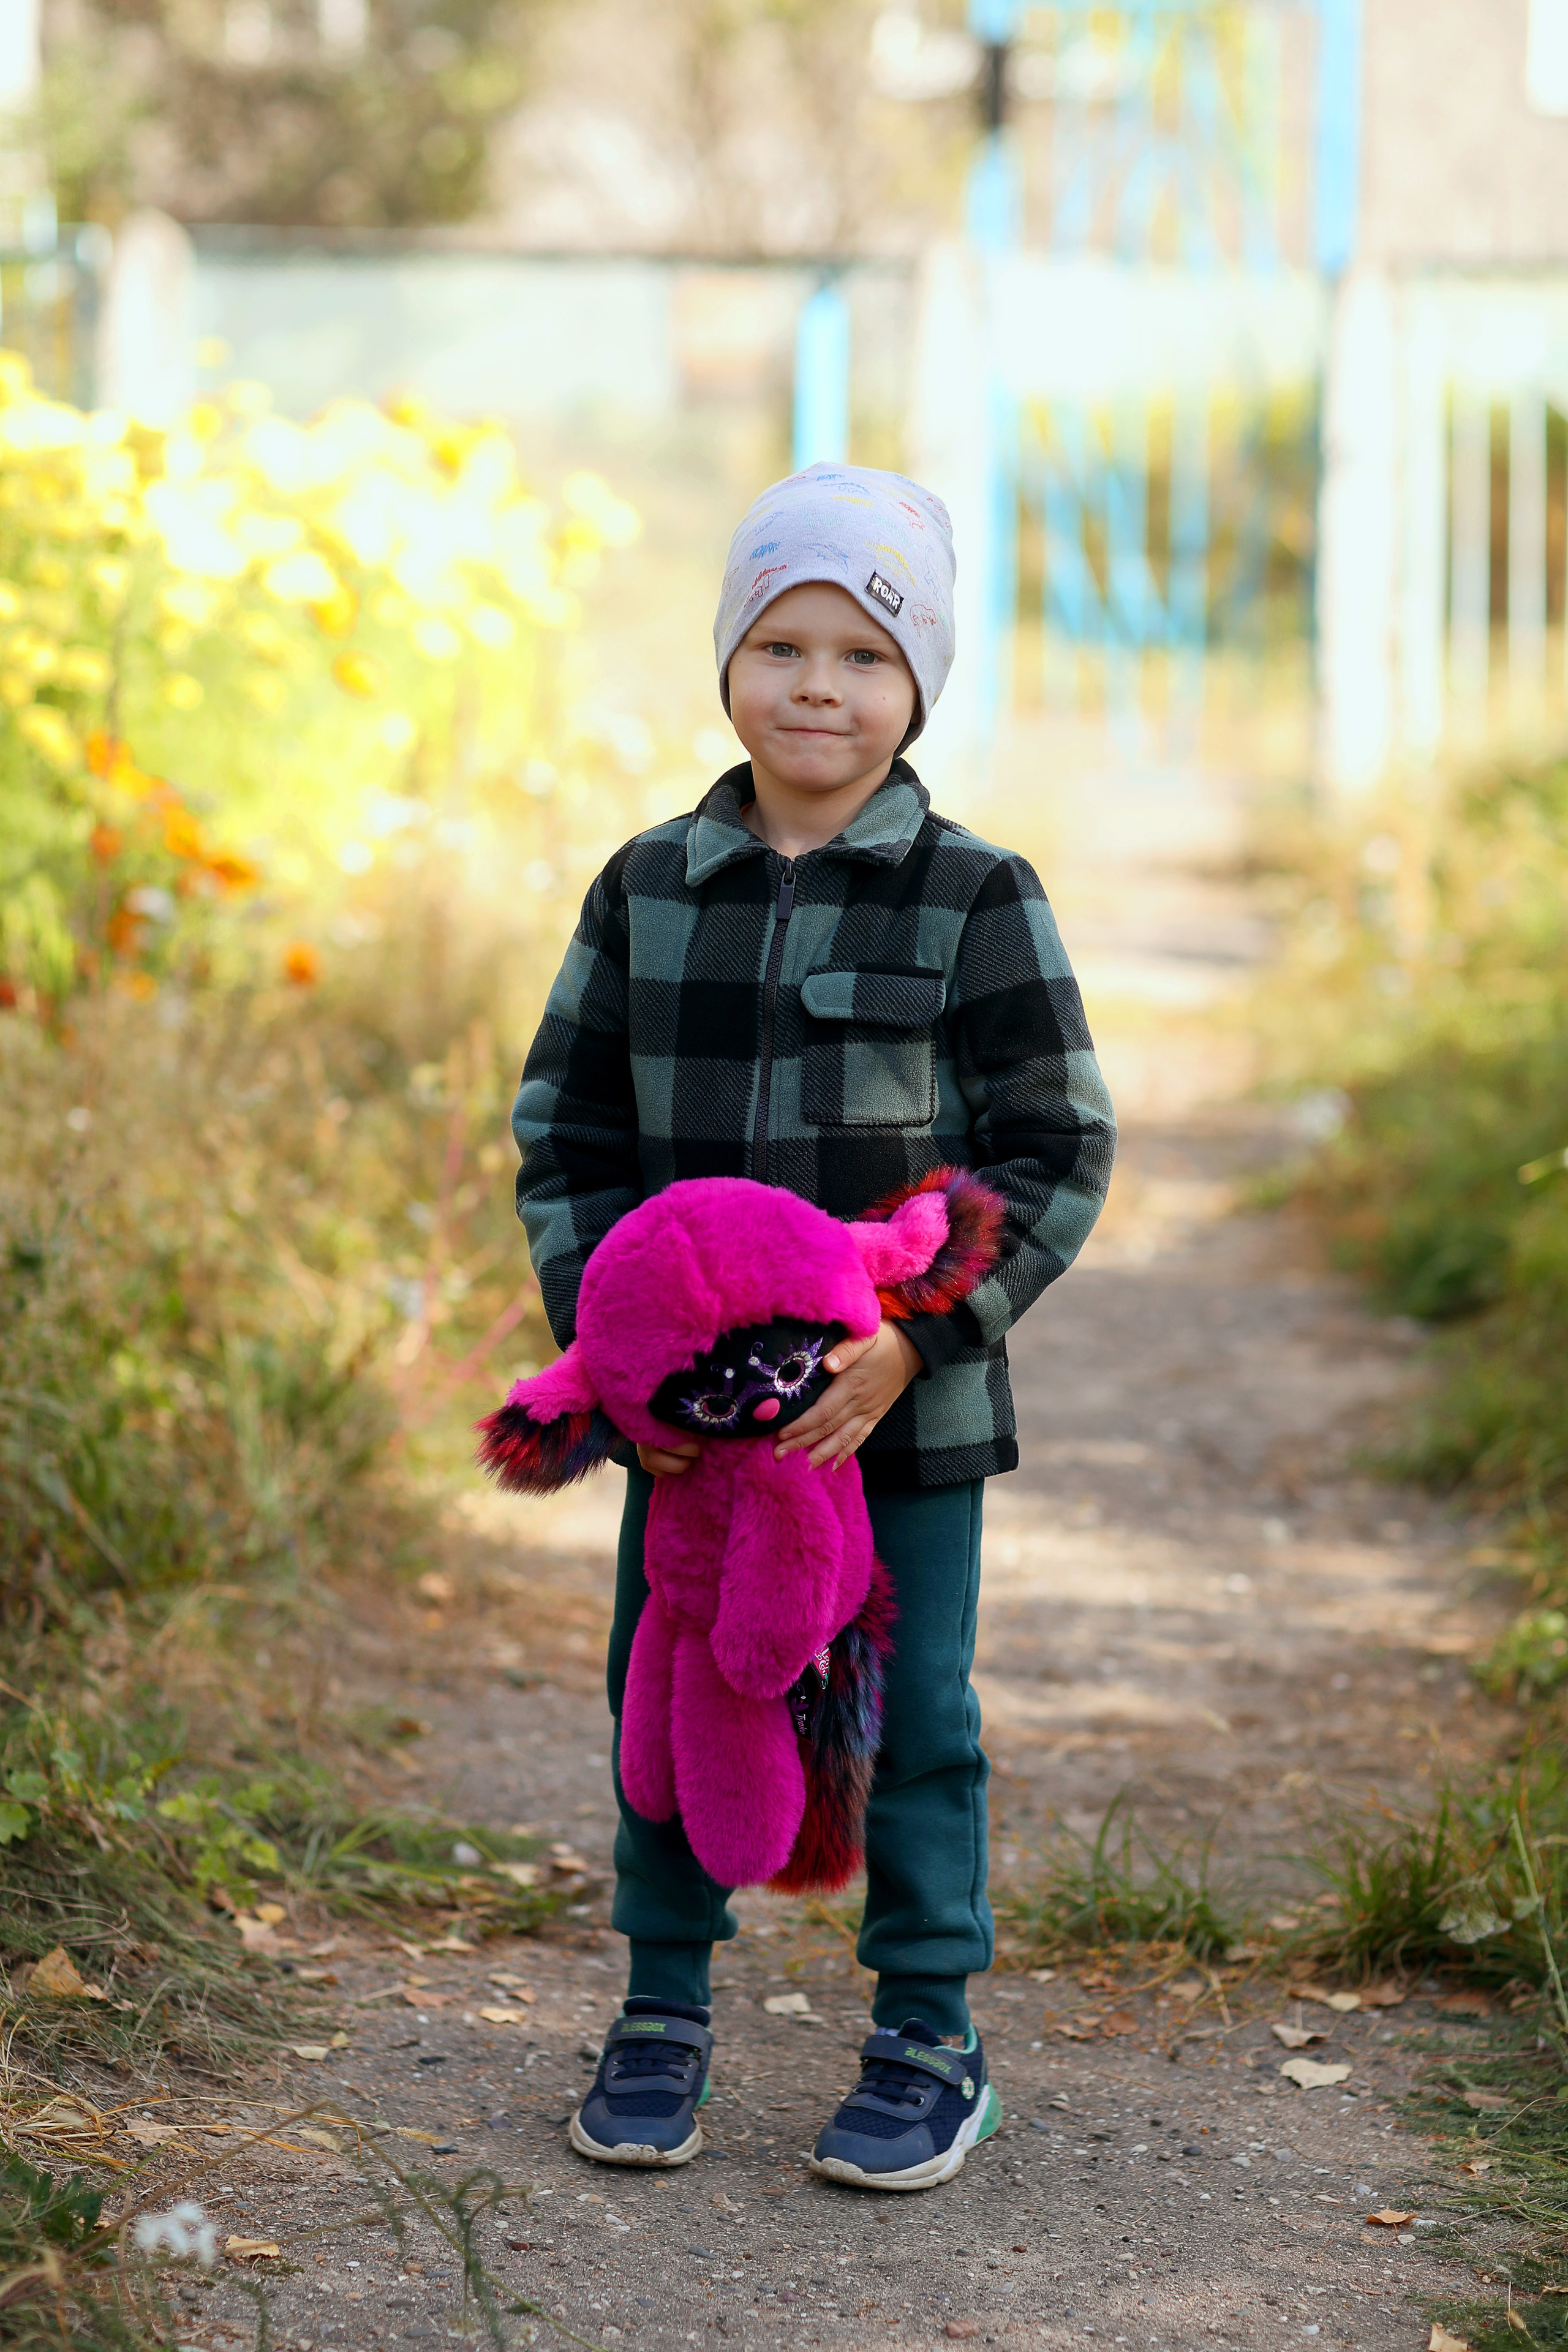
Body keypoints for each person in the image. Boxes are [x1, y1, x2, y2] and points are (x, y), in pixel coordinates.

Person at [511, 461, 1116, 2192]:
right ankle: (661, 2009)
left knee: (912, 1710)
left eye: (864, 655)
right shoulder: (648, 887)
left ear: (919, 682)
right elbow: (566, 1133)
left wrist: (932, 1335)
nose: (819, 688)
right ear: (729, 662)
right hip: (689, 1434)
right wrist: (627, 1366)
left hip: (898, 1421)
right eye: (782, 644)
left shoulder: (975, 895)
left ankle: (931, 2030)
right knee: (674, 1692)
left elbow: (1058, 1142)